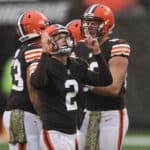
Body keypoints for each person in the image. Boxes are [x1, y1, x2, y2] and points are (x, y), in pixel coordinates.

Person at [30, 24, 112, 150]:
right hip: (54, 133)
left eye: (65, 36)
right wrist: (45, 53)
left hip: (75, 132)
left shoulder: (77, 65)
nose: (64, 40)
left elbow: (105, 80)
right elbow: (37, 83)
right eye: (59, 37)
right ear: (49, 42)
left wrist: (97, 52)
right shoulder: (45, 65)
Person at [73, 4, 131, 150]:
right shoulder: (79, 47)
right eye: (87, 22)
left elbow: (113, 88)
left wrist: (83, 83)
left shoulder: (117, 46)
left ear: (107, 23)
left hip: (111, 115)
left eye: (95, 22)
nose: (89, 26)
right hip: (87, 114)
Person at [3, 10, 50, 150]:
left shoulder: (22, 50)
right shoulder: (34, 50)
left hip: (21, 113)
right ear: (39, 29)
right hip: (23, 114)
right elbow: (34, 88)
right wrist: (45, 115)